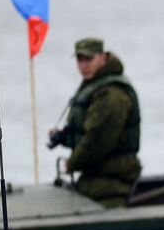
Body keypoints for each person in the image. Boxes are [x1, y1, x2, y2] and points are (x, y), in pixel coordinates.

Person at [48, 38, 141, 208]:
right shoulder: (95, 86)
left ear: (103, 58)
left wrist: (72, 163)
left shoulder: (112, 94)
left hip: (113, 181)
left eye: (88, 59)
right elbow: (86, 132)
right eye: (80, 60)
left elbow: (97, 139)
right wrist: (63, 137)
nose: (84, 65)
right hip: (97, 176)